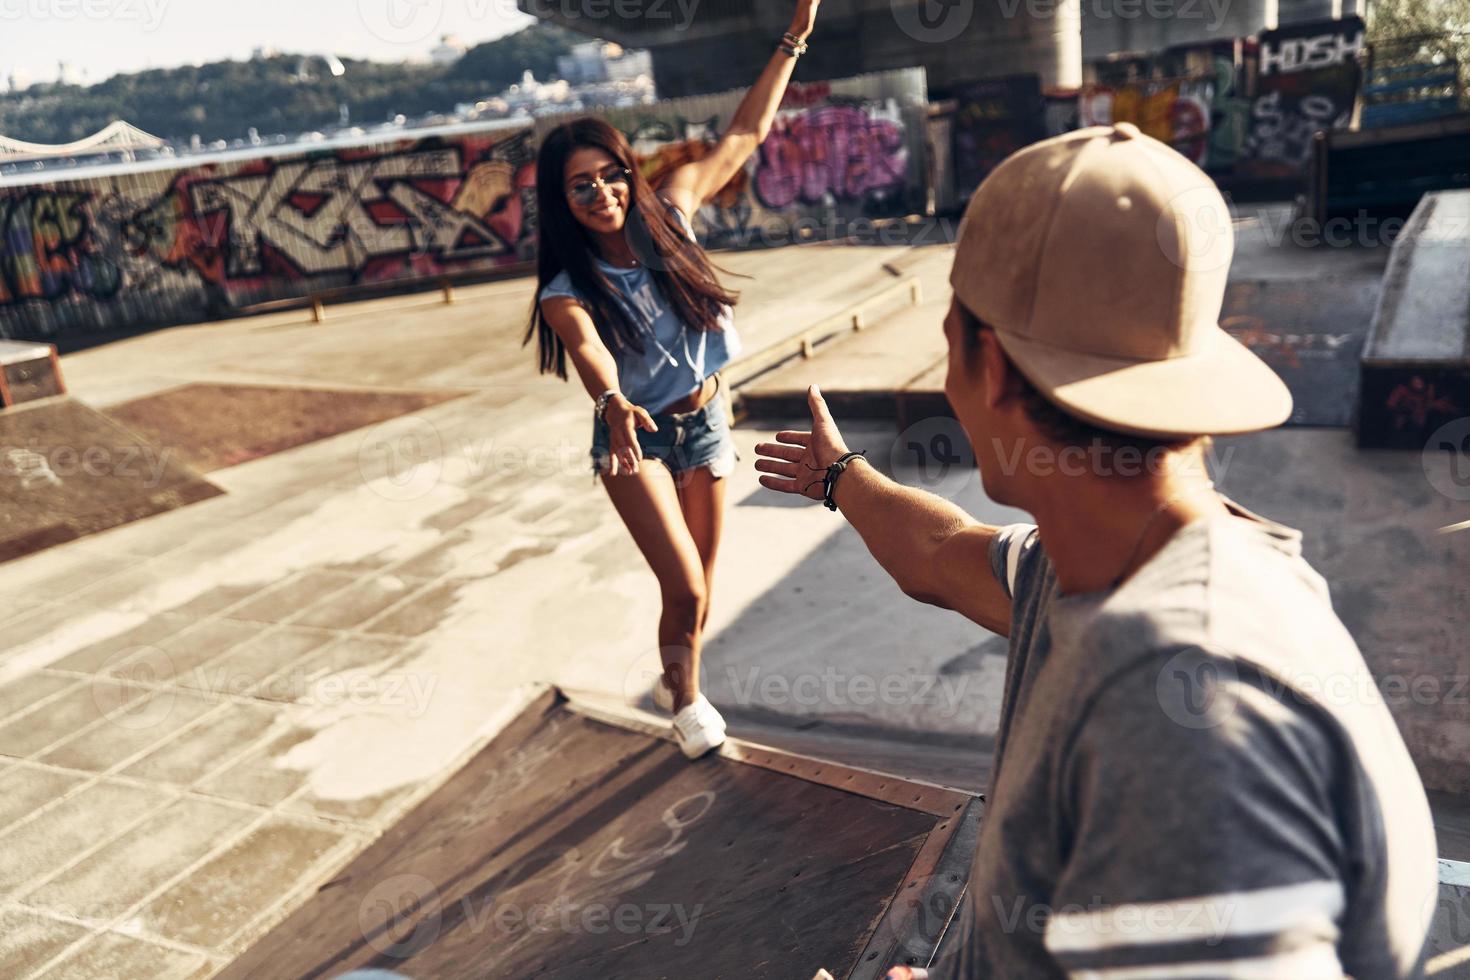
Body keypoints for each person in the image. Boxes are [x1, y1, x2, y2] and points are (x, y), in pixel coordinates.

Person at [756, 124, 1438, 977]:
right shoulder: (1106, 564)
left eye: (948, 339)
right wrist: (842, 477)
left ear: (993, 368)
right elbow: (944, 554)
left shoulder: (1176, 712)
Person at [524, 0, 821, 759]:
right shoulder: (566, 286)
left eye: (607, 176)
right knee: (685, 586)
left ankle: (674, 675)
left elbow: (746, 134)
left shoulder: (674, 215)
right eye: (579, 188)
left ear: (626, 172)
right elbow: (588, 348)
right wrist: (612, 399)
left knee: (702, 587)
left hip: (708, 422)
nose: (600, 194)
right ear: (562, 204)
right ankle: (686, 704)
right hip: (637, 438)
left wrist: (795, 37)